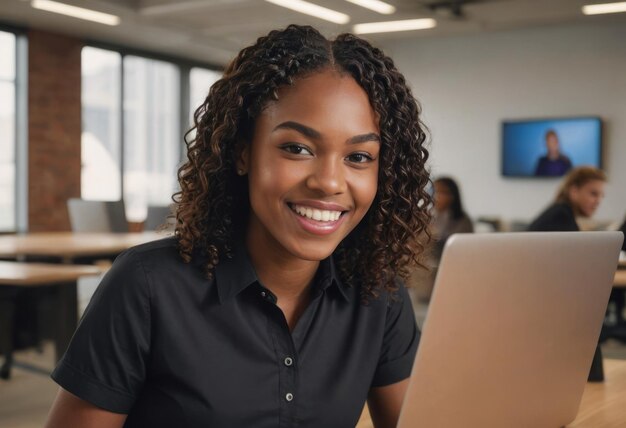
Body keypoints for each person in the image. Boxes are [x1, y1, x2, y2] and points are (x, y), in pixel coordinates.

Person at [44, 25, 432, 428]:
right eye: (297, 148)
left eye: (359, 156)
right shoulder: (146, 286)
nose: (330, 182)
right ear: (243, 153)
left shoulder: (377, 294)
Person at [528, 166, 606, 381]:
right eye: (593, 193)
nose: (598, 200)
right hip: (540, 307)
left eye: (601, 195)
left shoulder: (561, 212)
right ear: (573, 191)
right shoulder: (560, 215)